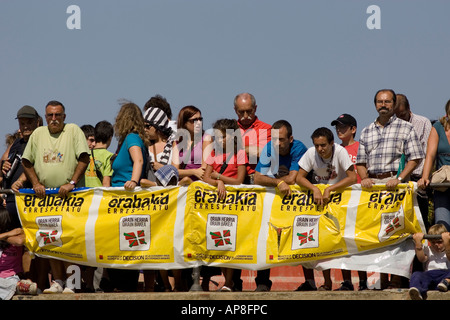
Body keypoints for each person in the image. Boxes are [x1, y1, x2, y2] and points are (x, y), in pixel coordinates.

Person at [356, 89, 425, 289]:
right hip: (374, 191)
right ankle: (381, 280)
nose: (383, 105)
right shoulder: (367, 130)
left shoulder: (405, 128)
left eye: (387, 101)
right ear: (375, 104)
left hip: (396, 189)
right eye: (379, 101)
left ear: (394, 104)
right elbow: (360, 161)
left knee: (395, 235)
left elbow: (415, 158)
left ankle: (395, 279)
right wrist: (365, 177)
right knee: (375, 235)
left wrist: (399, 178)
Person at [21, 100, 90, 294]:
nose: (53, 119)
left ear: (64, 117)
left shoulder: (73, 130)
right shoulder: (38, 133)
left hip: (71, 197)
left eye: (57, 115)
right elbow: (27, 161)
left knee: (70, 239)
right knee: (51, 239)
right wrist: (35, 183)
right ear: (45, 117)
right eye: (50, 115)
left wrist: (72, 183)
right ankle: (57, 281)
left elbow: (84, 158)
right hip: (47, 199)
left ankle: (71, 282)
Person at [295, 127, 357, 291]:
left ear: (331, 143)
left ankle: (348, 282)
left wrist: (330, 189)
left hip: (340, 202)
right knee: (322, 242)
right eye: (317, 145)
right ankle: (327, 283)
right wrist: (315, 189)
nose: (320, 149)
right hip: (320, 203)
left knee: (342, 241)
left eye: (323, 145)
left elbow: (352, 177)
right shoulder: (310, 153)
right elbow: (299, 177)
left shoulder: (341, 152)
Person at [254, 120, 307, 291]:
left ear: (291, 139)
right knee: (265, 237)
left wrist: (274, 182)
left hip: (298, 202)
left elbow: (292, 178)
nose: (277, 143)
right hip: (274, 201)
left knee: (304, 237)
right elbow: (257, 178)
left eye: (281, 140)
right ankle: (262, 283)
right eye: (274, 139)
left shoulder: (299, 148)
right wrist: (277, 182)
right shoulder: (269, 147)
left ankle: (310, 282)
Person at [108, 102, 149, 292]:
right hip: (120, 198)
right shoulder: (125, 141)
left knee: (126, 242)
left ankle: (125, 286)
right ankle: (122, 285)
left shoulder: (132, 138)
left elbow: (138, 160)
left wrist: (134, 180)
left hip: (127, 199)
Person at [203, 118, 247, 291]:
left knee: (231, 242)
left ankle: (230, 281)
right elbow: (206, 177)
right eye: (218, 137)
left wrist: (219, 177)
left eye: (223, 137)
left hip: (234, 205)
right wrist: (217, 182)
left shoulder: (240, 154)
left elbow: (239, 180)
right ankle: (227, 280)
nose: (220, 140)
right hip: (217, 204)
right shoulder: (213, 153)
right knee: (219, 242)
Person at [233, 92, 271, 290]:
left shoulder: (266, 129)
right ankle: (234, 281)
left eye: (249, 111)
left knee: (262, 233)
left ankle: (263, 281)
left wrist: (238, 148)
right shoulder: (229, 128)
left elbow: (267, 154)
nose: (245, 116)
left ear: (256, 109)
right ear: (235, 111)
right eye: (241, 112)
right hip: (236, 184)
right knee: (237, 232)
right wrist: (251, 149)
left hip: (259, 184)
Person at [331, 113, 368, 290]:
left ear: (353, 129)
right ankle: (346, 281)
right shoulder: (334, 149)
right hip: (341, 201)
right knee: (341, 242)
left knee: (359, 242)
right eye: (337, 127)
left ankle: (363, 281)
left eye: (343, 127)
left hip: (360, 201)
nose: (339, 130)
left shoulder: (362, 147)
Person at [395, 94, 432, 230]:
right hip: (397, 181)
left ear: (409, 109)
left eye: (402, 115)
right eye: (396, 116)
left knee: (421, 220)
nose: (400, 119)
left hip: (418, 180)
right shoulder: (391, 126)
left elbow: (428, 152)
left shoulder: (422, 122)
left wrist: (424, 176)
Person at [0, 105, 41, 228]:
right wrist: (4, 166)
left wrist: (21, 180)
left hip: (29, 201)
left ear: (37, 122)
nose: (25, 126)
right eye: (22, 123)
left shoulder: (41, 141)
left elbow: (38, 165)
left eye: (29, 122)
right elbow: (4, 163)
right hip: (10, 199)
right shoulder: (17, 142)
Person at [418, 100, 450, 230]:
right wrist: (425, 177)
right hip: (442, 185)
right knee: (442, 227)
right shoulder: (438, 127)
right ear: (447, 114)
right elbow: (430, 155)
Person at [0, 207, 38, 299]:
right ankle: (18, 287)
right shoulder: (11, 234)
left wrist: (5, 235)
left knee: (8, 283)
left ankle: (17, 286)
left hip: (10, 277)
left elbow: (20, 241)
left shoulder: (14, 236)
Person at [409, 224, 450, 300]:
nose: (436, 245)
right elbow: (422, 259)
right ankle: (416, 291)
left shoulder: (448, 248)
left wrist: (447, 243)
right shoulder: (428, 249)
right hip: (429, 275)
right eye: (433, 242)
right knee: (416, 274)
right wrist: (418, 243)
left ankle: (446, 282)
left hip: (445, 274)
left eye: (440, 242)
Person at [174, 105, 212, 185]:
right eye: (194, 120)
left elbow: (203, 170)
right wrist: (193, 172)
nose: (198, 123)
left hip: (199, 186)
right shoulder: (177, 142)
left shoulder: (206, 139)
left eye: (200, 119)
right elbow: (174, 171)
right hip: (182, 187)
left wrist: (186, 173)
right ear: (184, 123)